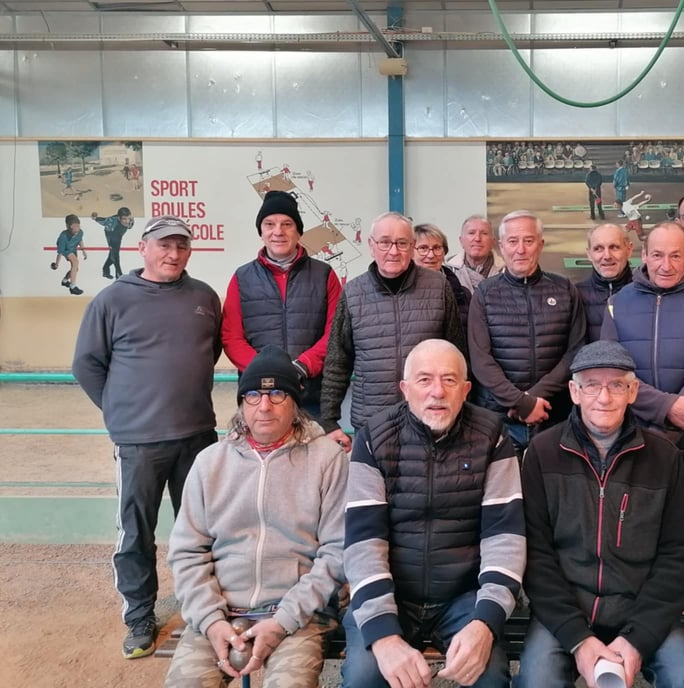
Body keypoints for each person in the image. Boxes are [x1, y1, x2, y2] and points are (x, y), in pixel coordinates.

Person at [72, 215, 222, 660]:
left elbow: (208, 353)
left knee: (203, 530)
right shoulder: (112, 300)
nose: (172, 254)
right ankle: (139, 615)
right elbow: (87, 364)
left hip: (197, 434)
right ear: (143, 247)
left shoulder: (203, 297)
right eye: (163, 246)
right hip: (138, 441)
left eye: (180, 246)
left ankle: (203, 608)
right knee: (136, 531)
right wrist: (121, 411)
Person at [518, 341, 684, 688]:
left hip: (641, 611)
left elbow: (678, 557)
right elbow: (537, 556)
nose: (604, 398)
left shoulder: (664, 458)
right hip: (565, 612)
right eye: (592, 385)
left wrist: (637, 639)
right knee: (535, 682)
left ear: (633, 391)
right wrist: (578, 638)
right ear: (574, 392)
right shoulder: (543, 453)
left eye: (617, 385)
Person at [342, 339, 525, 688]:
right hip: (393, 593)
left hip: (464, 598)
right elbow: (363, 542)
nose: (437, 392)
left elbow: (506, 538)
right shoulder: (373, 439)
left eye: (450, 380)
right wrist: (384, 636)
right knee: (364, 677)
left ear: (466, 389)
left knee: (489, 676)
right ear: (405, 388)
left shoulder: (492, 436)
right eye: (424, 380)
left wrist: (485, 623)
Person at [164, 346, 349, 688]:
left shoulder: (327, 459)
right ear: (241, 403)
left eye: (277, 393)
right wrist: (210, 620)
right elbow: (188, 551)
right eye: (253, 395)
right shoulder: (210, 463)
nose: (264, 406)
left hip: (298, 616)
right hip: (220, 613)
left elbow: (337, 552)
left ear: (295, 404)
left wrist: (284, 619)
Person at [601, 221, 684, 519]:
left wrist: (673, 424)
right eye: (658, 255)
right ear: (644, 256)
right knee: (636, 528)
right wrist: (666, 407)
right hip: (634, 439)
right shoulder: (618, 303)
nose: (666, 265)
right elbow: (613, 370)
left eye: (676, 256)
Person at [320, 212, 465, 449]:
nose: (394, 251)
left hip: (429, 420)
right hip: (373, 423)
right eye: (385, 242)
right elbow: (338, 360)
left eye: (402, 243)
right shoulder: (353, 293)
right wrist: (329, 420)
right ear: (371, 245)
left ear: (412, 246)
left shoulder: (438, 287)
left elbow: (458, 353)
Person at [468, 210, 587, 453]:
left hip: (553, 414)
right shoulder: (485, 293)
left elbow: (575, 352)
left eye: (528, 240)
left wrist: (531, 399)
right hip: (498, 418)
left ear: (540, 245)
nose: (520, 249)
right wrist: (519, 402)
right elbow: (481, 360)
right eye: (512, 241)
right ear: (501, 246)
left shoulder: (564, 289)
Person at [222, 190, 342, 421]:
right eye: (269, 224)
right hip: (258, 396)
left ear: (298, 231)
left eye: (287, 224)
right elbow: (231, 336)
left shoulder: (324, 275)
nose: (278, 231)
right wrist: (264, 371)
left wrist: (303, 366)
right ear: (261, 231)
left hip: (311, 395)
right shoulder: (242, 277)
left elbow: (334, 333)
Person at [575, 223, 634, 342]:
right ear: (589, 254)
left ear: (629, 250)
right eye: (598, 249)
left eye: (614, 247)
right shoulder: (575, 296)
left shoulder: (647, 293)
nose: (607, 256)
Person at [413, 222, 473, 333]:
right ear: (410, 253)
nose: (431, 255)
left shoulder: (463, 294)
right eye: (423, 248)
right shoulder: (403, 294)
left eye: (437, 248)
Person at [447, 214, 502, 293]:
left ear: (493, 242)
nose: (477, 238)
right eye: (471, 233)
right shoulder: (448, 271)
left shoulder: (505, 271)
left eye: (484, 233)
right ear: (461, 241)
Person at [92, 207, 134, 279]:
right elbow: (103, 221)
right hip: (111, 234)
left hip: (119, 234)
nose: (126, 221)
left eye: (128, 218)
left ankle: (105, 269)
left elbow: (129, 225)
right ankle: (118, 274)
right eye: (124, 219)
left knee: (112, 254)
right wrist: (95, 218)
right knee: (115, 254)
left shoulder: (130, 220)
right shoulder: (111, 221)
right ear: (119, 218)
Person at [53, 213, 87, 295]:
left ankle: (65, 281)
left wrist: (83, 251)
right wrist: (57, 264)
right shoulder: (63, 237)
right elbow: (60, 253)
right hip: (66, 249)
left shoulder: (80, 232)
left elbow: (80, 240)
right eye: (75, 227)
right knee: (75, 262)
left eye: (78, 226)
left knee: (75, 269)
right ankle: (73, 287)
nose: (77, 229)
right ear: (69, 227)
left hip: (73, 249)